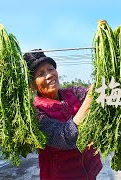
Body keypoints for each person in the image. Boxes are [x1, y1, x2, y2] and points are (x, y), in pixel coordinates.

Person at [23, 49, 102, 180]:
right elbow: (64, 137)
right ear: (32, 85)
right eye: (41, 73)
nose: (49, 75)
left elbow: (99, 99)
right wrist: (89, 101)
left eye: (50, 69)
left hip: (90, 174)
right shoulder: (36, 112)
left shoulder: (74, 93)